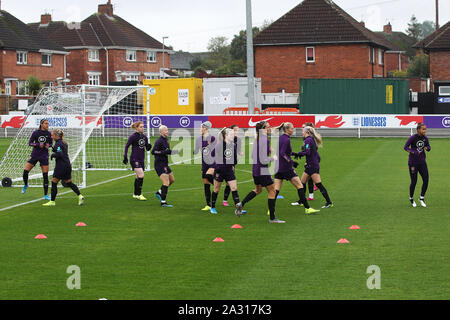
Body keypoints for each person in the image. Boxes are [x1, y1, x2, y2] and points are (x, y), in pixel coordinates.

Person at [240, 121, 285, 223]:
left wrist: (267, 150)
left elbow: (253, 156)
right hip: (262, 170)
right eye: (268, 127)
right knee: (272, 191)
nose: (270, 128)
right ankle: (272, 218)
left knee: (258, 190)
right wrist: (273, 158)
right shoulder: (264, 140)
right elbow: (263, 159)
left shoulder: (258, 139)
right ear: (263, 129)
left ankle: (241, 204)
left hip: (255, 169)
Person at [274, 122, 319, 215]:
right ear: (287, 130)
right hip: (286, 168)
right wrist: (291, 162)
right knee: (300, 186)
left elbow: (280, 151)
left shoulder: (281, 137)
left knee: (276, 190)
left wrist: (292, 155)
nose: (293, 130)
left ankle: (270, 209)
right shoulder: (286, 139)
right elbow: (283, 153)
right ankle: (307, 208)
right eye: (292, 128)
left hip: (278, 167)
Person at [42, 129, 84, 206]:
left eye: (52, 135)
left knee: (54, 182)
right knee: (69, 182)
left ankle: (52, 201)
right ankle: (80, 196)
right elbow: (60, 150)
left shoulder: (58, 143)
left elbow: (60, 154)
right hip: (67, 164)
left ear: (56, 135)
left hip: (61, 166)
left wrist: (52, 155)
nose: (51, 136)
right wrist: (51, 148)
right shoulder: (64, 143)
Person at [294, 126, 333, 209]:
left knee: (319, 184)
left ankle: (329, 202)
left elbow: (307, 152)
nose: (302, 132)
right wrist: (300, 152)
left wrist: (298, 154)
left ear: (307, 132)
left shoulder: (308, 140)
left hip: (312, 166)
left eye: (303, 131)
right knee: (302, 183)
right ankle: (301, 200)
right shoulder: (310, 139)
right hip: (309, 165)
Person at [210, 128, 243, 216]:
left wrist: (233, 164)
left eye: (233, 134)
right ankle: (212, 207)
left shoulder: (233, 145)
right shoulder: (219, 145)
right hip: (219, 171)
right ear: (225, 136)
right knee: (216, 189)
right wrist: (218, 165)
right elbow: (212, 154)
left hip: (229, 171)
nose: (233, 136)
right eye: (231, 134)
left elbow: (235, 159)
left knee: (234, 188)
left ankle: (238, 209)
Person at [22, 119, 52, 200]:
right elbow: (30, 143)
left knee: (45, 176)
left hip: (44, 156)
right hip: (35, 155)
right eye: (46, 123)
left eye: (48, 124)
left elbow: (51, 144)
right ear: (41, 124)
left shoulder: (49, 133)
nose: (47, 125)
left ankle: (45, 195)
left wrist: (48, 146)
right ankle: (25, 184)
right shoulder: (36, 133)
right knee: (25, 172)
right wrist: (38, 144)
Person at [404, 122, 431, 207]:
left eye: (425, 129)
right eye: (423, 129)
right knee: (414, 182)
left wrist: (428, 148)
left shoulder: (425, 138)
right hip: (413, 163)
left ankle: (421, 198)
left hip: (422, 162)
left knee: (426, 180)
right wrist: (414, 151)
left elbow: (429, 147)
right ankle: (411, 198)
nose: (425, 131)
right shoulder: (413, 138)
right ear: (419, 130)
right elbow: (405, 147)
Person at [123, 121, 152, 201]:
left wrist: (149, 146)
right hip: (134, 159)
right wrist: (125, 156)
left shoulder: (144, 137)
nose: (143, 128)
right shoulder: (133, 136)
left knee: (138, 176)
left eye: (143, 126)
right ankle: (139, 194)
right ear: (136, 128)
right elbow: (126, 146)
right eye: (141, 127)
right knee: (141, 175)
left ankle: (135, 194)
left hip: (141, 159)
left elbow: (147, 147)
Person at [152, 125, 178, 207]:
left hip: (165, 163)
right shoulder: (158, 141)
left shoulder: (166, 140)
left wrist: (173, 152)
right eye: (166, 130)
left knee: (172, 180)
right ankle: (163, 202)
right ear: (161, 132)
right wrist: (163, 152)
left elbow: (167, 151)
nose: (167, 131)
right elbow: (154, 152)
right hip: (159, 164)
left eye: (167, 130)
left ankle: (159, 192)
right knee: (166, 182)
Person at [193, 121, 216, 211]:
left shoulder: (213, 138)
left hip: (212, 162)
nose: (200, 129)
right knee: (206, 183)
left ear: (206, 128)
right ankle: (208, 205)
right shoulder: (199, 139)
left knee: (207, 176)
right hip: (204, 163)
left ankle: (217, 184)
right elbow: (197, 150)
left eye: (202, 127)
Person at [223, 124, 243, 207]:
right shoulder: (226, 140)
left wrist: (240, 153)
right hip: (223, 164)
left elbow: (237, 151)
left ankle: (225, 200)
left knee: (229, 183)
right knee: (219, 184)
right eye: (235, 130)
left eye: (237, 130)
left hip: (231, 164)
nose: (236, 132)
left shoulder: (238, 140)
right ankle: (212, 204)